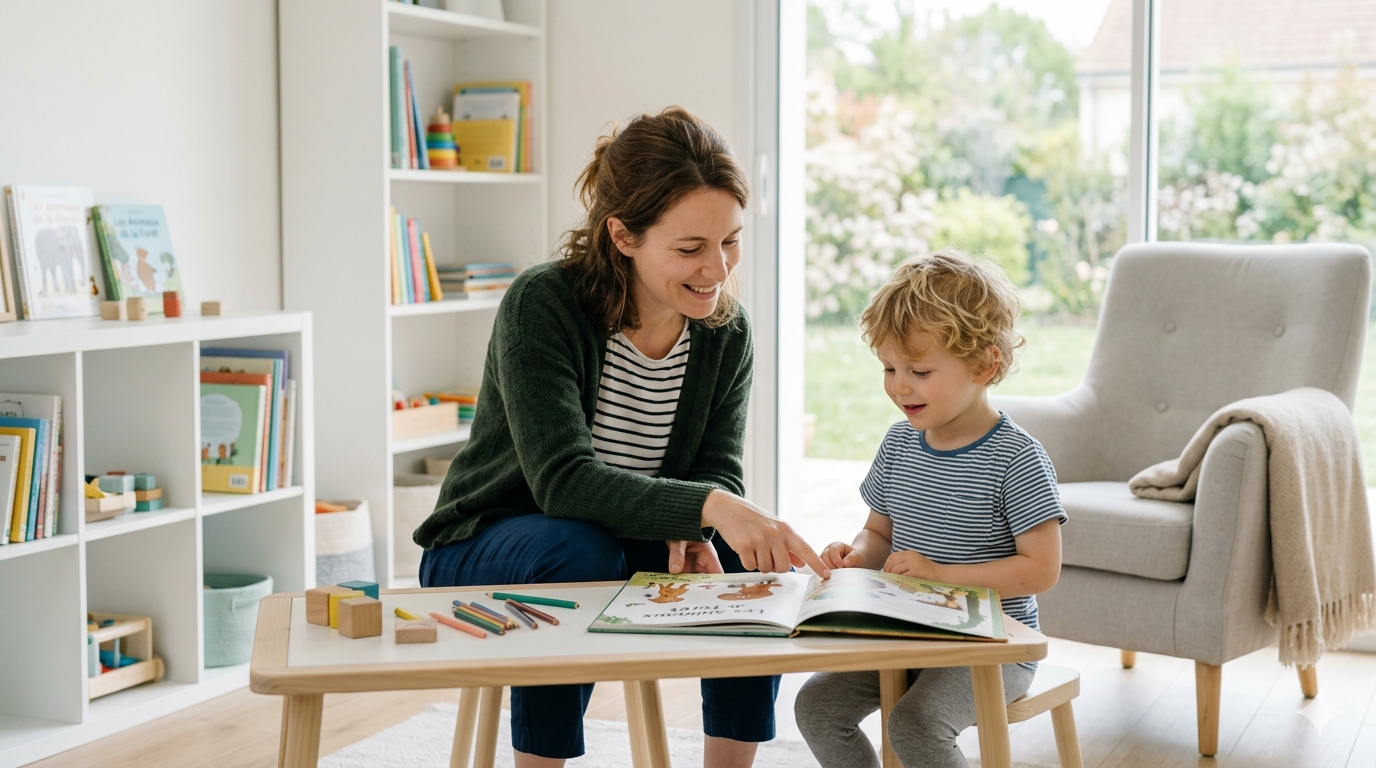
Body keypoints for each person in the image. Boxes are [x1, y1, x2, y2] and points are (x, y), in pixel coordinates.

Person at [413, 106, 828, 768]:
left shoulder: (725, 332)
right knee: (578, 548)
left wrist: (699, 526)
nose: (717, 269)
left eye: (730, 241)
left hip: (616, 541)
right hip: (489, 540)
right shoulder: (543, 304)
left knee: (749, 549)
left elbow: (717, 469)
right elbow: (562, 482)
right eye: (690, 249)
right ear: (622, 235)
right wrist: (705, 507)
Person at [793, 249, 1066, 768]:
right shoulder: (899, 444)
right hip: (905, 632)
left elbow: (1041, 570)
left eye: (919, 370)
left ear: (986, 364)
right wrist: (857, 555)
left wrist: (941, 576)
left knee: (915, 724)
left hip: (992, 646)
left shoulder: (1017, 458)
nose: (899, 386)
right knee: (816, 705)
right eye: (889, 368)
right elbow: (878, 533)